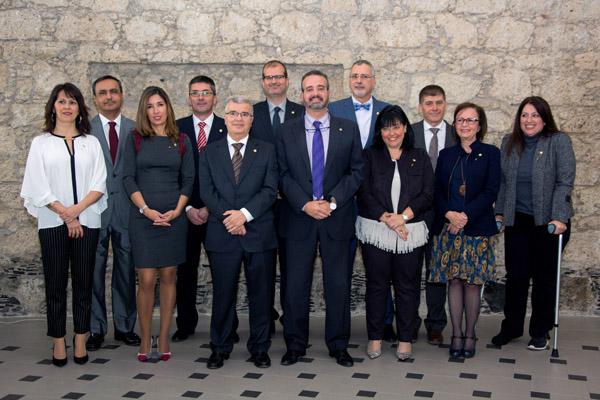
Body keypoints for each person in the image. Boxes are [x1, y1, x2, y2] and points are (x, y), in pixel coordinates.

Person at [277, 70, 363, 367]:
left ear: (329, 92)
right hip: (298, 219)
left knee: (338, 284)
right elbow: (282, 174)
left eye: (321, 88)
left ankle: (338, 344)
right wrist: (304, 204)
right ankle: (295, 345)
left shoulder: (348, 129)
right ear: (301, 94)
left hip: (335, 219)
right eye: (309, 89)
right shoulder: (286, 131)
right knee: (295, 286)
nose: (315, 93)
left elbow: (356, 172)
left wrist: (333, 202)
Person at [21, 83, 107, 366]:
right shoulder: (41, 143)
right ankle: (58, 341)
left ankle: (80, 338)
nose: (67, 106)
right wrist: (66, 215)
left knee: (84, 283)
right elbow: (37, 184)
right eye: (61, 102)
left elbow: (98, 184)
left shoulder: (91, 142)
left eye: (72, 102)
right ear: (53, 107)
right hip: (53, 223)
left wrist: (78, 212)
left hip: (88, 221)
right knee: (55, 284)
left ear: (80, 107)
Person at [199, 96, 279, 369]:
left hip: (258, 233)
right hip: (222, 233)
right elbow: (206, 191)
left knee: (261, 294)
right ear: (225, 117)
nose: (238, 118)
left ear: (252, 120)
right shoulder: (210, 152)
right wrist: (229, 218)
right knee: (223, 294)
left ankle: (259, 348)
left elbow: (270, 190)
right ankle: (219, 347)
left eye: (244, 114)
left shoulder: (267, 150)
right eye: (233, 113)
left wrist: (243, 215)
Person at [492, 96, 575, 351]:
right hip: (518, 220)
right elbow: (504, 182)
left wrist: (560, 217)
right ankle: (512, 328)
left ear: (544, 118)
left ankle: (540, 331)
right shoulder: (510, 142)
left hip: (549, 222)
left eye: (535, 115)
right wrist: (499, 213)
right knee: (516, 276)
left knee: (544, 279)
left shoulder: (558, 142)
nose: (529, 120)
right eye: (525, 115)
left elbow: (565, 181)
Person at [122, 86, 194, 361]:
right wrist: (146, 210)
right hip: (143, 218)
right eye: (150, 106)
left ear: (168, 107)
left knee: (168, 276)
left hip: (173, 220)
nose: (155, 111)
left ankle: (163, 335)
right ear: (144, 110)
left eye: (160, 104)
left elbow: (188, 179)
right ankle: (144, 336)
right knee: (147, 278)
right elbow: (128, 178)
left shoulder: (182, 140)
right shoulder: (135, 139)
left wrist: (176, 211)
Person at [356, 105, 433, 361]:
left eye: (396, 126)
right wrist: (388, 218)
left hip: (409, 232)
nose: (392, 132)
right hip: (377, 231)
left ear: (405, 128)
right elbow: (364, 192)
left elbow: (427, 194)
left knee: (407, 287)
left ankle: (405, 338)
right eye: (386, 127)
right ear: (380, 131)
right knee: (377, 286)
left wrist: (404, 217)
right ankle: (375, 337)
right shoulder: (370, 155)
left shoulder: (419, 155)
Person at [328, 59, 395, 341]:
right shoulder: (333, 110)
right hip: (341, 201)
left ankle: (385, 323)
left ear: (374, 80)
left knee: (382, 267)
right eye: (354, 76)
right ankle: (339, 325)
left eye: (364, 76)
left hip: (377, 204)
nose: (359, 80)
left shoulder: (388, 112)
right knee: (339, 266)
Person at [429, 102, 500, 359]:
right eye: (460, 120)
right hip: (449, 229)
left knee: (472, 284)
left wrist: (465, 217)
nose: (465, 125)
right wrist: (449, 214)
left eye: (471, 120)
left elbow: (491, 190)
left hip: (476, 228)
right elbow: (437, 190)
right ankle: (456, 334)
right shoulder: (447, 155)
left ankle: (470, 334)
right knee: (454, 280)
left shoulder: (491, 153)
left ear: (479, 125)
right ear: (455, 124)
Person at [171, 75, 227, 343]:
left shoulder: (228, 127)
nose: (201, 97)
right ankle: (185, 323)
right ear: (189, 98)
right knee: (186, 270)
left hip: (218, 212)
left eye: (206, 92)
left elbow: (231, 174)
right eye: (195, 93)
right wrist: (190, 206)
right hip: (186, 211)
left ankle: (226, 323)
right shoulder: (176, 128)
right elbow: (174, 172)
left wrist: (209, 206)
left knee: (224, 270)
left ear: (215, 97)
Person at [87, 75, 140, 351]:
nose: (109, 97)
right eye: (103, 93)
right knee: (93, 270)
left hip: (127, 211)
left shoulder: (135, 129)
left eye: (114, 92)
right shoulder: (85, 130)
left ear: (122, 95)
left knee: (125, 269)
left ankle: (124, 326)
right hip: (94, 211)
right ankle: (96, 328)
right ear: (94, 98)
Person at [251, 60, 304, 332]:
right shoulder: (251, 113)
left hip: (293, 206)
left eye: (278, 76)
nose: (273, 81)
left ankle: (290, 318)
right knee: (262, 267)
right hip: (260, 207)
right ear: (262, 82)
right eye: (268, 77)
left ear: (286, 80)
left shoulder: (302, 113)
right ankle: (265, 318)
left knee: (292, 266)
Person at [411, 84, 456, 345]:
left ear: (445, 104)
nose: (434, 108)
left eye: (438, 102)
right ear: (421, 107)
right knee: (411, 271)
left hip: (445, 216)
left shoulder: (455, 133)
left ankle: (436, 324)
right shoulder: (411, 133)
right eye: (429, 103)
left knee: (438, 273)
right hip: (415, 214)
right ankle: (411, 321)